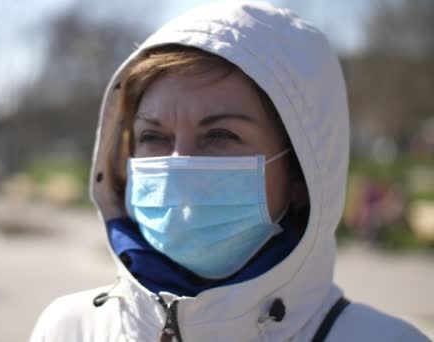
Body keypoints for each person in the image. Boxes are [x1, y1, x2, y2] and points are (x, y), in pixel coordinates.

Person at [30, 1, 430, 341]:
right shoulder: (70, 328)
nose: (179, 161)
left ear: (299, 174)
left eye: (220, 135)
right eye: (153, 135)